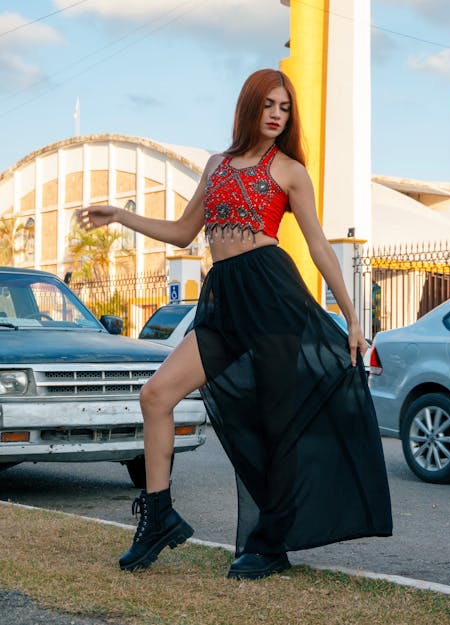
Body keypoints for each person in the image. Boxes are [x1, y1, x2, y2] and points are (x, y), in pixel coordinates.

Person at [76, 68, 392, 581]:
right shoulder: (216, 164)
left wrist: (353, 317)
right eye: (268, 104)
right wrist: (121, 216)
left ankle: (271, 543)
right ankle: (158, 517)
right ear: (250, 106)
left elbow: (317, 245)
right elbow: (183, 233)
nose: (276, 114)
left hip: (271, 294)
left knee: (277, 424)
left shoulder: (289, 171)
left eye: (285, 108)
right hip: (224, 298)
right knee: (156, 395)